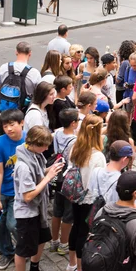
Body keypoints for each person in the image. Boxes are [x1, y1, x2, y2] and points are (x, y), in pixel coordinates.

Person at [13, 125, 63, 271]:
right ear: (34, 144)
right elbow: (27, 196)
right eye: (44, 146)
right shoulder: (23, 166)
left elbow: (39, 173)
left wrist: (51, 169)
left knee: (41, 240)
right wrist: (48, 178)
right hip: (27, 213)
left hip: (38, 211)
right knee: (23, 249)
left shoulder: (35, 154)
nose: (47, 149)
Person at [66, 114, 106, 271]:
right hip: (89, 198)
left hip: (75, 194)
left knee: (75, 226)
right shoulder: (98, 156)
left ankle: (71, 263)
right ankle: (81, 269)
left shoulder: (75, 147)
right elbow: (100, 182)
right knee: (85, 231)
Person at [0, 108, 26, 270]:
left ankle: (23, 249)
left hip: (18, 193)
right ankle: (7, 253)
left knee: (13, 224)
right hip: (0, 191)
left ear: (22, 123)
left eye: (12, 125)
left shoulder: (28, 140)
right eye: (5, 126)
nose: (9, 129)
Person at [49, 109, 78, 259]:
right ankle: (63, 244)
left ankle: (54, 241)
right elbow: (74, 163)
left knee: (57, 211)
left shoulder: (58, 132)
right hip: (68, 180)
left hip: (57, 175)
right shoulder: (75, 141)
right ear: (73, 123)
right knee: (68, 214)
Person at [0, 41, 42, 117]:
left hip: (5, 115)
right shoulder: (34, 73)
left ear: (16, 52)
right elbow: (39, 96)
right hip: (23, 115)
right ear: (30, 53)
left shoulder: (3, 67)